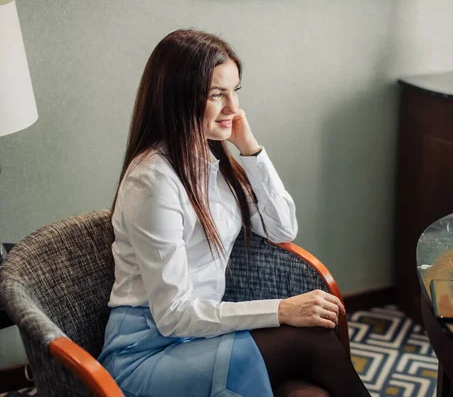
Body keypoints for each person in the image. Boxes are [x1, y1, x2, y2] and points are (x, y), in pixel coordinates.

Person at [98, 29, 370, 397]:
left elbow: (282, 228)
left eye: (235, 91)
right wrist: (282, 309)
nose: (233, 108)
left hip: (200, 338)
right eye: (217, 95)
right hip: (147, 352)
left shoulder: (213, 162)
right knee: (311, 343)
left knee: (308, 392)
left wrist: (251, 149)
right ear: (178, 100)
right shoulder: (152, 182)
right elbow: (173, 314)